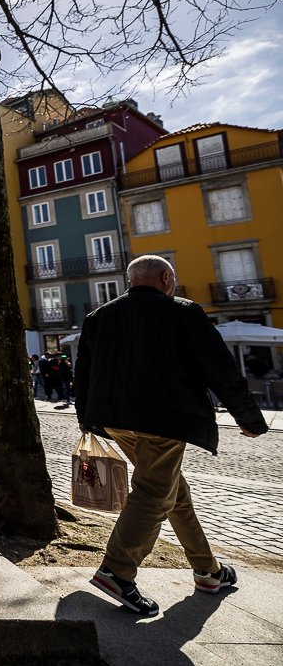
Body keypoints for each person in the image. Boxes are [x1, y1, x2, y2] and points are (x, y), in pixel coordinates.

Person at [75, 254, 267, 616]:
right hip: (161, 421)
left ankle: (208, 570)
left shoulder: (99, 316)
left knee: (175, 490)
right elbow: (220, 369)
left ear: (131, 281)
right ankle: (117, 571)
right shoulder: (182, 312)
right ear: (165, 278)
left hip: (113, 419)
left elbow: (83, 371)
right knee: (153, 493)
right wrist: (250, 419)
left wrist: (85, 417)